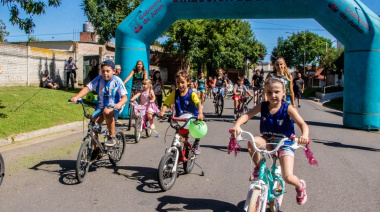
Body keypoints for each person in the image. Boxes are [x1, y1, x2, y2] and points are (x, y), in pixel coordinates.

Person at [230, 77, 309, 206]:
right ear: (265, 93)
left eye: (277, 92)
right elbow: (246, 115)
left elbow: (303, 124)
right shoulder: (263, 106)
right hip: (268, 141)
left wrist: (304, 135)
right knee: (252, 142)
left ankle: (300, 185)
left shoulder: (288, 108)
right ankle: (258, 167)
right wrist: (237, 125)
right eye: (269, 92)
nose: (273, 95)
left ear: (284, 92)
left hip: (285, 144)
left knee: (287, 176)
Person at [70, 60, 127, 147]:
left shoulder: (117, 81)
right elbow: (88, 88)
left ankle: (112, 137)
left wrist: (119, 104)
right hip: (101, 107)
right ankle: (96, 149)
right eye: (103, 71)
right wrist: (76, 97)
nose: (105, 73)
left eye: (108, 71)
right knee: (92, 127)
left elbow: (124, 98)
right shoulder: (99, 79)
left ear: (114, 71)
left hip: (114, 106)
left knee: (107, 112)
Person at [158, 70, 204, 154]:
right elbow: (166, 103)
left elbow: (198, 103)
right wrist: (162, 111)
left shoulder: (192, 94)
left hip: (193, 119)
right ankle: (174, 155)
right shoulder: (175, 94)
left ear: (188, 82)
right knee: (178, 137)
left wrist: (200, 114)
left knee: (198, 130)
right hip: (181, 119)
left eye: (183, 82)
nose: (180, 85)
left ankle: (197, 143)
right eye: (178, 82)